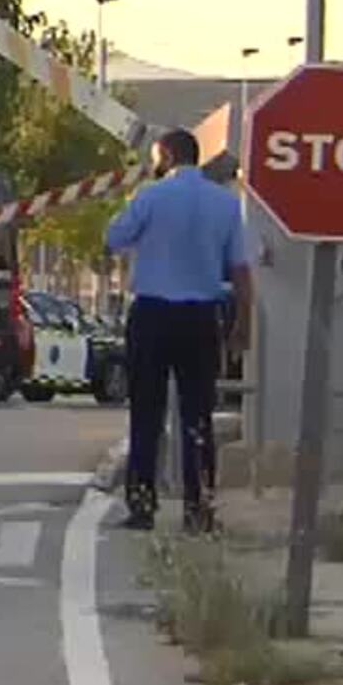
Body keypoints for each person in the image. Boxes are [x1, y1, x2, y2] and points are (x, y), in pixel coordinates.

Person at [105, 129, 252, 534]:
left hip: (152, 314)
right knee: (198, 416)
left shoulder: (150, 197)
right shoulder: (225, 203)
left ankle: (142, 505)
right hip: (201, 317)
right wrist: (244, 322)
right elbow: (240, 268)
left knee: (146, 415)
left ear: (166, 156)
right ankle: (198, 507)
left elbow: (113, 238)